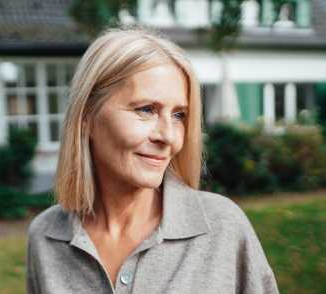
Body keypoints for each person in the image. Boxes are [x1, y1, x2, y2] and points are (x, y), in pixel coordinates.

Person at [26, 27, 279, 294]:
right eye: (146, 110)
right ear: (87, 117)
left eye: (179, 115)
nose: (169, 137)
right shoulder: (45, 236)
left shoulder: (223, 227)